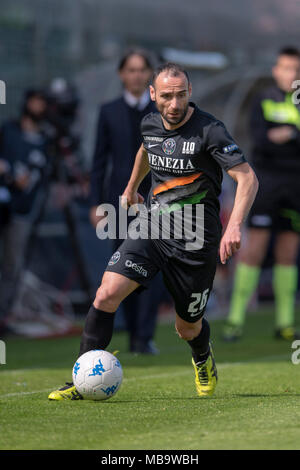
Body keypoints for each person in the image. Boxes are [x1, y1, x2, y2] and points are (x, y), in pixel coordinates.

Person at [48, 62, 258, 400]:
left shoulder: (210, 130)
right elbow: (147, 148)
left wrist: (234, 227)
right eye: (166, 96)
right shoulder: (148, 121)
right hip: (153, 226)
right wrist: (132, 188)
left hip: (195, 239)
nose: (174, 104)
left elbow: (247, 177)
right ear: (152, 94)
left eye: (180, 95)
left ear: (190, 93)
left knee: (185, 327)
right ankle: (81, 379)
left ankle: (202, 357)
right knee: (106, 293)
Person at [223, 46, 300, 342]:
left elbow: (281, 137)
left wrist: (288, 133)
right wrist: (288, 134)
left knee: (288, 253)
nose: (291, 74)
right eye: (286, 68)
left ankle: (284, 323)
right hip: (266, 183)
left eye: (296, 69)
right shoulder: (262, 99)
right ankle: (235, 320)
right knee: (255, 248)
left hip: (295, 187)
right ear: (276, 70)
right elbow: (260, 140)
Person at [89, 48, 163, 354]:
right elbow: (98, 161)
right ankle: (132, 331)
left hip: (158, 199)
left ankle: (144, 337)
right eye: (130, 70)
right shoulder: (108, 111)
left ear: (150, 75)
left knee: (154, 265)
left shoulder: (161, 112)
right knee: (123, 265)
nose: (135, 75)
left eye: (141, 70)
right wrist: (95, 203)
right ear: (122, 74)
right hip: (118, 202)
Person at [0, 89, 50, 336]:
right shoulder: (7, 131)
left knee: (12, 266)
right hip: (3, 204)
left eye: (43, 104)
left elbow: (34, 180)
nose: (39, 108)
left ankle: (3, 318)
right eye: (36, 102)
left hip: (21, 212)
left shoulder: (44, 143)